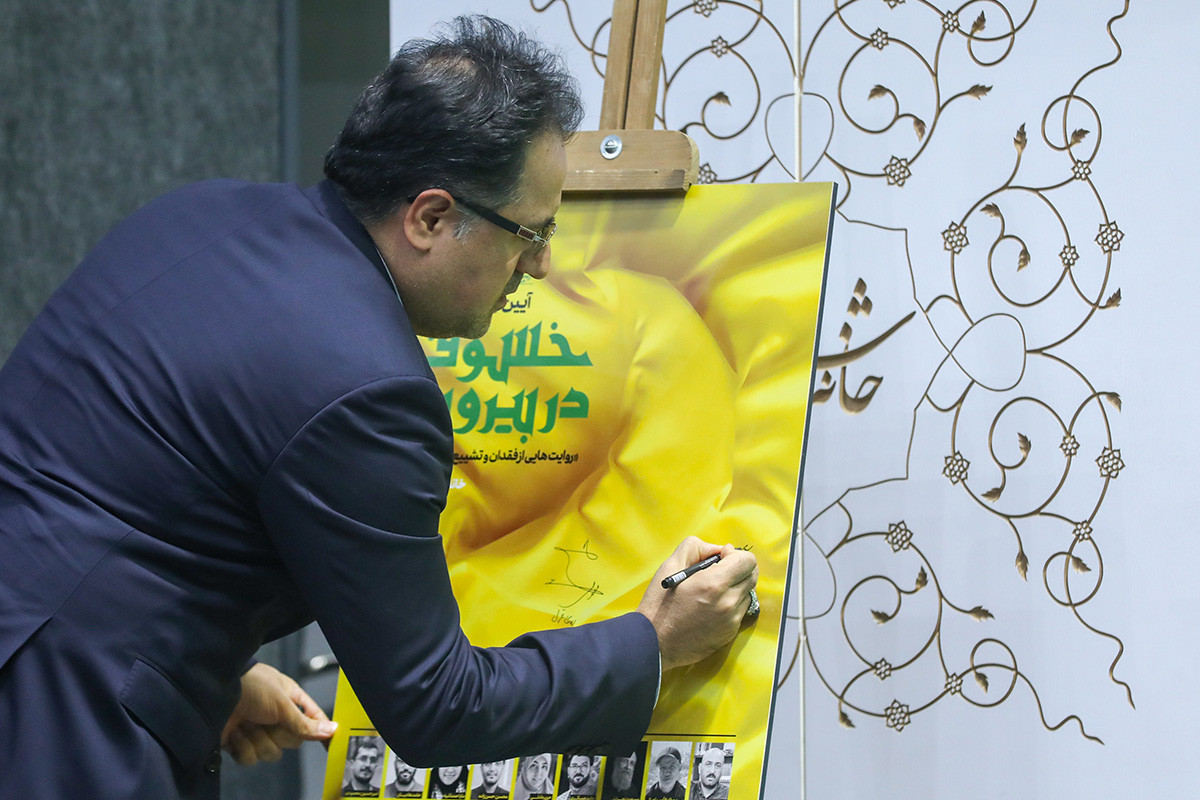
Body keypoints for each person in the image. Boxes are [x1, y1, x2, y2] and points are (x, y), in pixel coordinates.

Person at [0, 14, 759, 799]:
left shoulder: (201, 214)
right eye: (530, 234)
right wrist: (653, 643)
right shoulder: (367, 387)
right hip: (60, 727)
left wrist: (199, 667)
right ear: (430, 218)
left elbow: (119, 497)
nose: (539, 265)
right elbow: (438, 705)